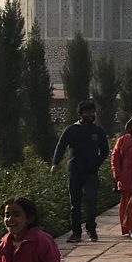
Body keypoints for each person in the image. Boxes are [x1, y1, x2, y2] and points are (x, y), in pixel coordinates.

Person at [50, 100, 110, 244]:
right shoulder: (72, 130)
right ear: (81, 114)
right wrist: (55, 163)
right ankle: (76, 232)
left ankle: (91, 229)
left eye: (92, 112)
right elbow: (61, 146)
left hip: (91, 172)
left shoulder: (98, 131)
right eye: (87, 112)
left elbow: (105, 151)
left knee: (91, 200)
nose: (90, 115)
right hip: (75, 171)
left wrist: (96, 162)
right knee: (75, 203)